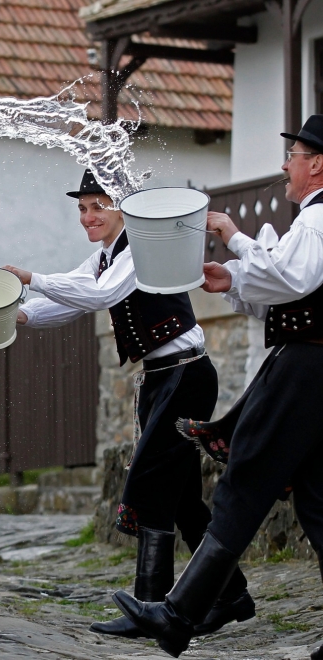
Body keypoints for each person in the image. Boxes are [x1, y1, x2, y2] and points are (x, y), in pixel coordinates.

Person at [3, 170, 252, 639]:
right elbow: (74, 300)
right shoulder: (103, 256)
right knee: (180, 498)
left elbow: (100, 295)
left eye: (98, 206)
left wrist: (31, 278)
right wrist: (17, 314)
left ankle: (150, 605)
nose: (88, 216)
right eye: (82, 208)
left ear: (122, 208)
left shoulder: (139, 246)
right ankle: (231, 595)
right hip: (161, 378)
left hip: (185, 373)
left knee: (152, 481)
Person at [113, 117, 323, 659]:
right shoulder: (314, 220)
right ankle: (189, 609)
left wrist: (234, 238)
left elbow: (292, 278)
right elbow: (287, 290)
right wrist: (232, 278)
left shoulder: (320, 218)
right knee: (320, 503)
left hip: (307, 368)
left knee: (247, 474)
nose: (285, 165)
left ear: (317, 163)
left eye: (294, 154)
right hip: (309, 365)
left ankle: (181, 614)